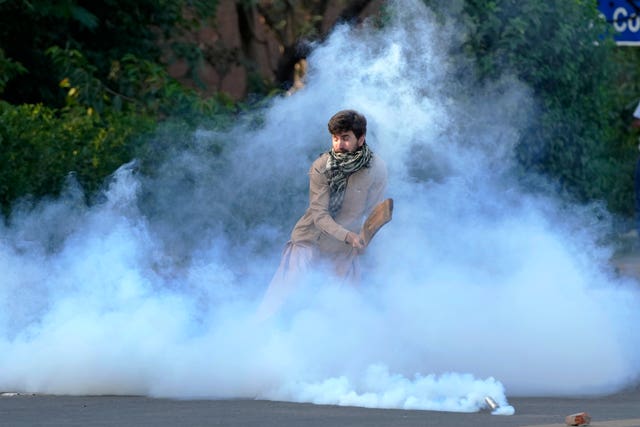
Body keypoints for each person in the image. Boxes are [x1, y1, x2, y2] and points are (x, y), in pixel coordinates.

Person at [256, 109, 388, 320]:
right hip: (309, 241)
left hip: (343, 249)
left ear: (361, 139)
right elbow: (320, 215)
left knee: (346, 306)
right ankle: (256, 337)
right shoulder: (321, 167)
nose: (338, 145)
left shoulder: (377, 168)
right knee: (281, 298)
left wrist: (364, 238)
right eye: (335, 139)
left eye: (345, 138)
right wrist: (349, 236)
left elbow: (372, 211)